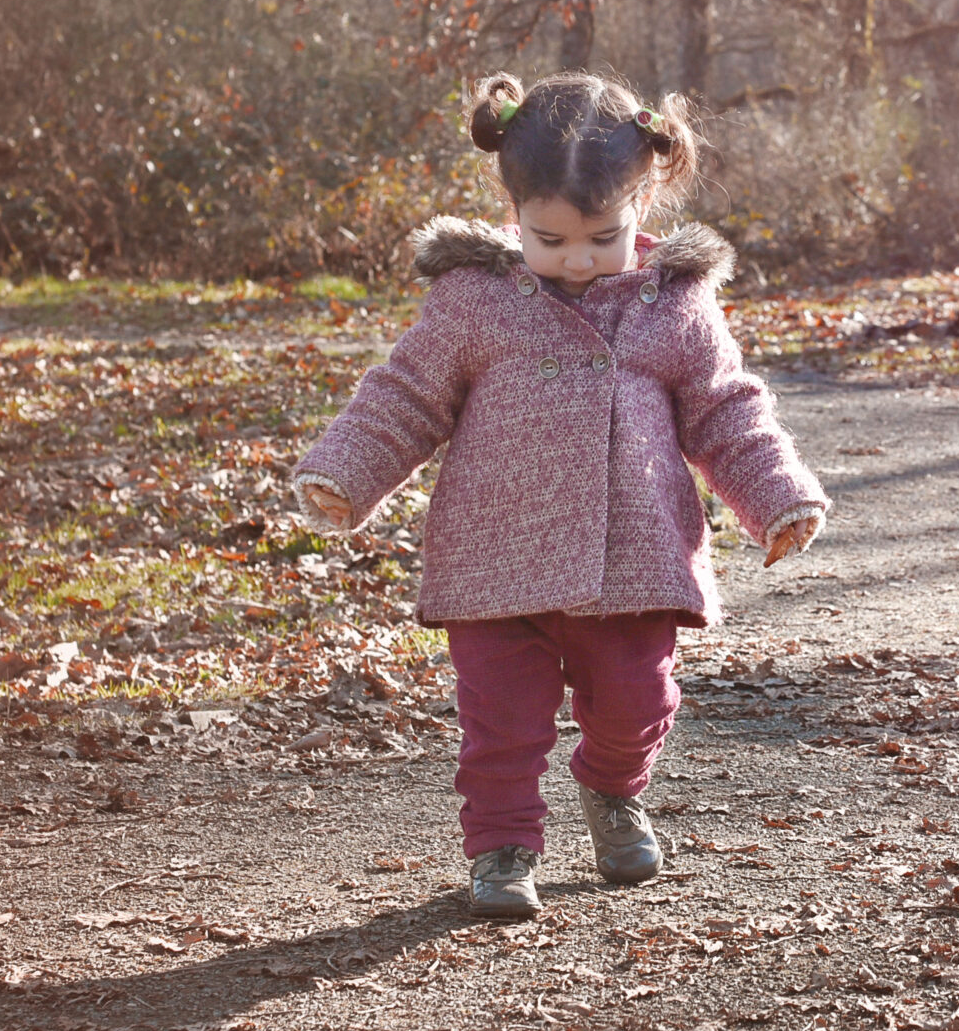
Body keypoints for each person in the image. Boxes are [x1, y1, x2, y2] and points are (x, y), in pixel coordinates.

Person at [291, 71, 827, 917]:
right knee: (501, 721)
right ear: (512, 214)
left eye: (601, 238)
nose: (576, 260)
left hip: (635, 558)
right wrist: (346, 475)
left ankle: (612, 789)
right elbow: (406, 394)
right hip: (493, 556)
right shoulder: (475, 299)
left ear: (642, 202)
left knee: (636, 704)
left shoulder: (675, 306)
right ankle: (502, 848)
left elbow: (727, 409)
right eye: (549, 240)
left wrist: (775, 495)